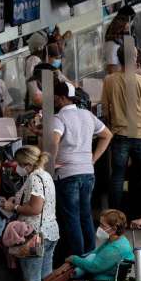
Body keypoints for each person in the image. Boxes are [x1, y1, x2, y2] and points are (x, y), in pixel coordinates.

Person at [51, 81, 113, 256]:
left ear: (61, 98)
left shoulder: (58, 118)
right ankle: (90, 255)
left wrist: (51, 164)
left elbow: (54, 141)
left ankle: (77, 260)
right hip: (87, 171)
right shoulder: (86, 114)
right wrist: (92, 159)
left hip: (67, 173)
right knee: (85, 215)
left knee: (72, 218)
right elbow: (107, 135)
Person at [101, 46, 141, 230]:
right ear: (134, 58)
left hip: (119, 134)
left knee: (117, 177)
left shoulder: (109, 80)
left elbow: (105, 108)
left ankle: (115, 221)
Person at [2, 146, 59, 281]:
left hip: (34, 236)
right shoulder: (46, 175)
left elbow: (35, 208)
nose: (16, 167)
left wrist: (14, 207)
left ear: (26, 163)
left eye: (18, 164)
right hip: (50, 233)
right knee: (46, 280)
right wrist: (17, 199)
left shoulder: (34, 178)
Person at [66, 209, 134, 281]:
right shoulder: (118, 239)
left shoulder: (115, 249)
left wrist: (74, 259)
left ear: (114, 229)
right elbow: (97, 251)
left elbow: (93, 267)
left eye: (102, 225)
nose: (99, 228)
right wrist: (83, 257)